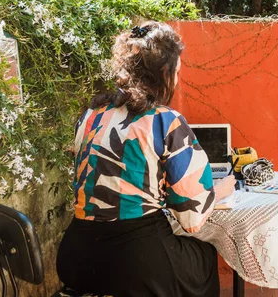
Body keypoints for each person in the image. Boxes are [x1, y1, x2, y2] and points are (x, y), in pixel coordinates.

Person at [56, 21, 236, 297]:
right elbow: (191, 217)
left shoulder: (89, 116)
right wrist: (221, 190)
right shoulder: (164, 121)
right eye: (176, 71)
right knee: (203, 258)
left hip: (77, 259)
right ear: (165, 73)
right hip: (136, 262)